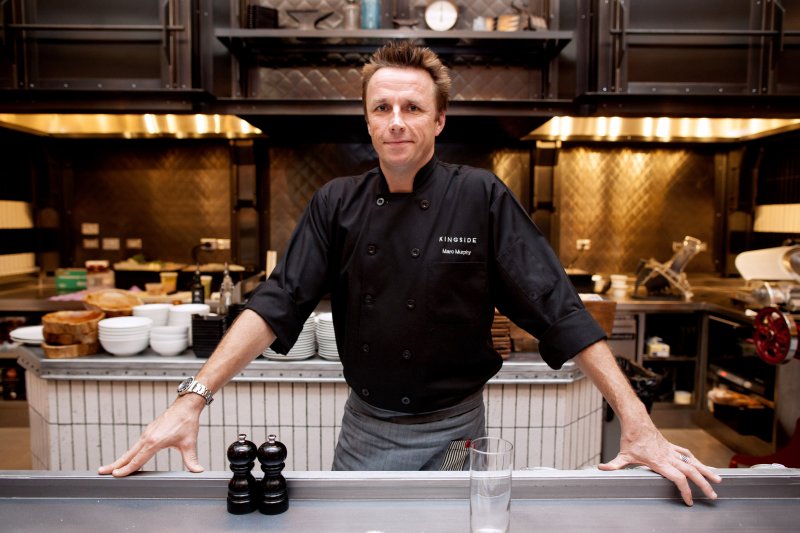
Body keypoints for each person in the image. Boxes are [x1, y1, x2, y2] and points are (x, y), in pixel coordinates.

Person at [100, 41, 721, 506]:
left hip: (457, 431)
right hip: (365, 431)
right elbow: (278, 302)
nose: (397, 120)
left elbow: (556, 305)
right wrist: (193, 398)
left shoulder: (479, 196)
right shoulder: (335, 204)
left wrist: (637, 422)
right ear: (368, 120)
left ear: (439, 120)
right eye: (383, 107)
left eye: (412, 107)